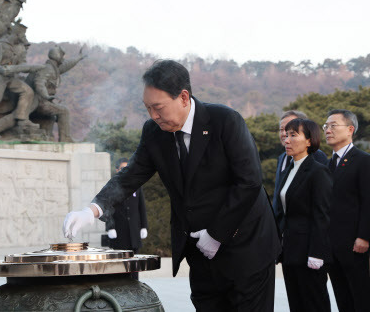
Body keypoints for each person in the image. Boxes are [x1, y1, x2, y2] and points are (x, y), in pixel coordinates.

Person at [63, 60, 281, 311]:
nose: (153, 116)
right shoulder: (154, 132)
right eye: (147, 108)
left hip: (246, 246)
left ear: (184, 97)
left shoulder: (225, 121)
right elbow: (130, 175)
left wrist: (217, 234)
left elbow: (249, 182)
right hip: (199, 250)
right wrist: (92, 210)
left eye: (158, 107)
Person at [273, 118, 332, 312]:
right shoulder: (289, 169)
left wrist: (316, 253)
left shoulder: (318, 171)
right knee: (296, 304)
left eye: (293, 135)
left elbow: (321, 216)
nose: (286, 140)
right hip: (290, 251)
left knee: (314, 303)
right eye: (286, 135)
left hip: (309, 253)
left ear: (309, 140)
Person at [324, 109, 370, 312]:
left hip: (355, 245)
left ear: (350, 129)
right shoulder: (327, 164)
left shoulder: (363, 160)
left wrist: (364, 236)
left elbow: (368, 200)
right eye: (326, 126)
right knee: (342, 299)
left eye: (333, 125)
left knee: (361, 297)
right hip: (332, 247)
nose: (327, 130)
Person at [272, 110, 328, 214]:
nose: (285, 135)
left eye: (292, 133)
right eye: (282, 130)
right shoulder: (282, 158)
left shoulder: (317, 157)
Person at [105, 157, 148, 280]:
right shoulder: (111, 186)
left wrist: (144, 226)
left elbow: (141, 207)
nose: (126, 171)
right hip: (119, 231)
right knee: (120, 264)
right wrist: (110, 227)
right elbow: (107, 208)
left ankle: (134, 285)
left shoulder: (137, 184)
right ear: (117, 170)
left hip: (134, 232)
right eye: (123, 168)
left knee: (134, 263)